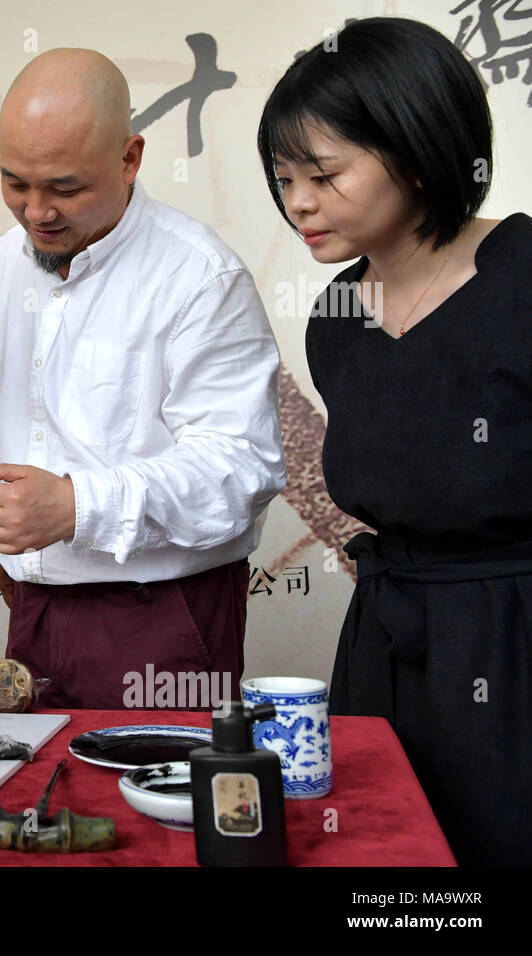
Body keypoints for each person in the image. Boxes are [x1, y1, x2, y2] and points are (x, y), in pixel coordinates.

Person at [258, 17, 530, 866]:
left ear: (416, 152)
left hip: (516, 647)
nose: (298, 202)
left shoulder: (522, 275)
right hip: (388, 647)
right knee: (384, 871)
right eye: (284, 178)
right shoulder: (336, 317)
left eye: (324, 175)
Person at [0, 49, 285, 710]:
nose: (35, 211)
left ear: (130, 158)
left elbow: (242, 466)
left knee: (160, 812)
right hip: (33, 612)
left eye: (65, 187)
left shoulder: (199, 277)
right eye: (14, 182)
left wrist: (78, 506)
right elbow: (0, 430)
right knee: (35, 810)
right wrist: (18, 564)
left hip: (162, 617)